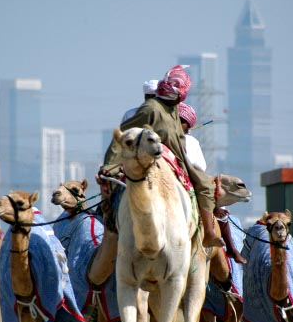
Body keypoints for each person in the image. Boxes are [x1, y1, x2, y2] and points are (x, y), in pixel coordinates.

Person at [103, 64, 224, 249]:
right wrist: (109, 166)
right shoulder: (151, 109)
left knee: (206, 185)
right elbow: (122, 135)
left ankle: (208, 233)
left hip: (178, 158)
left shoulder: (173, 108)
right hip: (156, 157)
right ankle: (110, 228)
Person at [178, 102, 246, 263]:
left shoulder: (190, 141)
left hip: (188, 178)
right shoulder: (167, 137)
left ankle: (229, 248)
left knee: (219, 202)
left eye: (180, 121)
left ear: (187, 125)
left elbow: (199, 168)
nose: (176, 123)